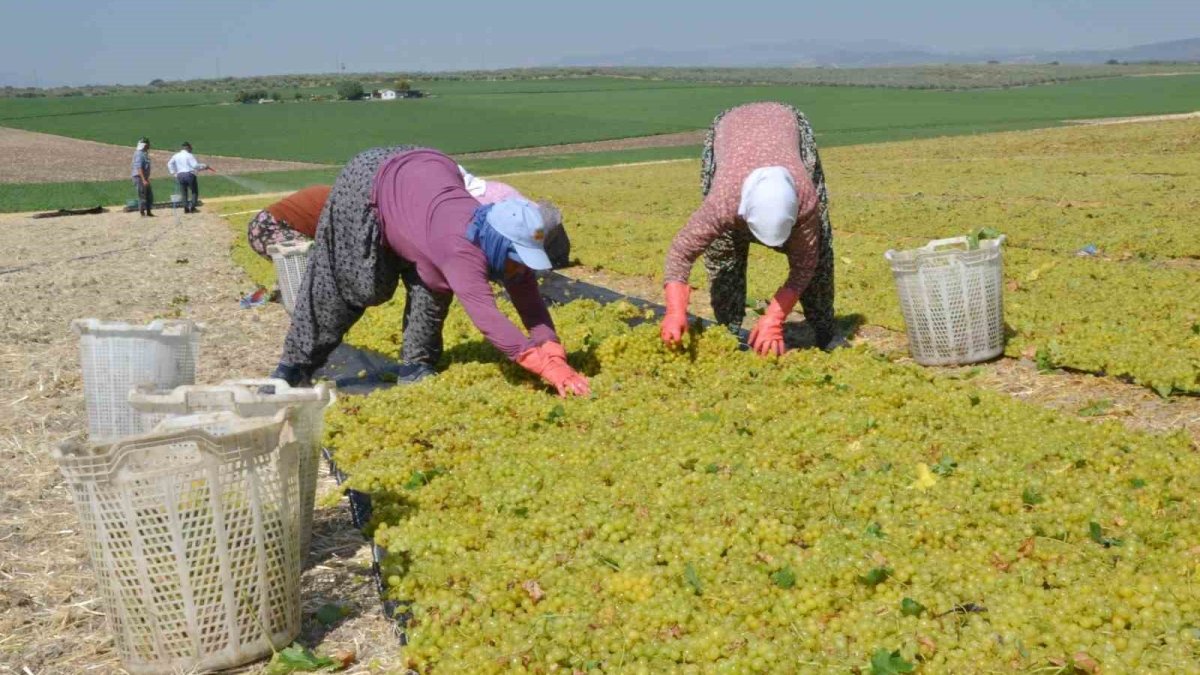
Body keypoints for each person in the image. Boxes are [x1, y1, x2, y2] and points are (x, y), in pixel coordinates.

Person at [270, 146, 590, 397]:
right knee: (356, 285)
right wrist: (544, 369)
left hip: (426, 173)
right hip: (370, 181)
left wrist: (553, 350)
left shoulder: (500, 240)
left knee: (434, 286)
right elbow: (488, 318)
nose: (519, 267)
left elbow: (529, 299)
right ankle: (293, 367)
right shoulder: (459, 246)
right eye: (516, 257)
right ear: (496, 243)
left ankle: (415, 365)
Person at [659, 102, 836, 355]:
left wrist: (774, 318)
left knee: (819, 254)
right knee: (722, 252)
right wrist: (675, 311)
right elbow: (680, 253)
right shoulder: (723, 201)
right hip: (731, 127)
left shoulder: (805, 198)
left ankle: (823, 333)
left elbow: (805, 265)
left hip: (783, 121)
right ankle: (727, 333)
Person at [246, 185, 332, 258]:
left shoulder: (334, 195)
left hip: (262, 224)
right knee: (306, 269)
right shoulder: (336, 205)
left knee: (302, 271)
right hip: (271, 227)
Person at [166, 142, 214, 213]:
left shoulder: (176, 155)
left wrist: (173, 173)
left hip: (180, 175)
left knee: (183, 192)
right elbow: (195, 166)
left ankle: (185, 207)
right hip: (190, 175)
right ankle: (192, 207)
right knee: (194, 191)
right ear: (187, 148)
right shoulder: (190, 155)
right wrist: (204, 165)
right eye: (191, 148)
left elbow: (169, 163)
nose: (192, 149)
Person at [131, 137, 154, 217]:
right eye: (148, 144)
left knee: (149, 195)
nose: (149, 146)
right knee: (142, 195)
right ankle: (142, 212)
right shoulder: (139, 154)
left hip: (144, 177)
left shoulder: (144, 153)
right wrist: (144, 179)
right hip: (139, 177)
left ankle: (148, 211)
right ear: (145, 145)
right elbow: (139, 168)